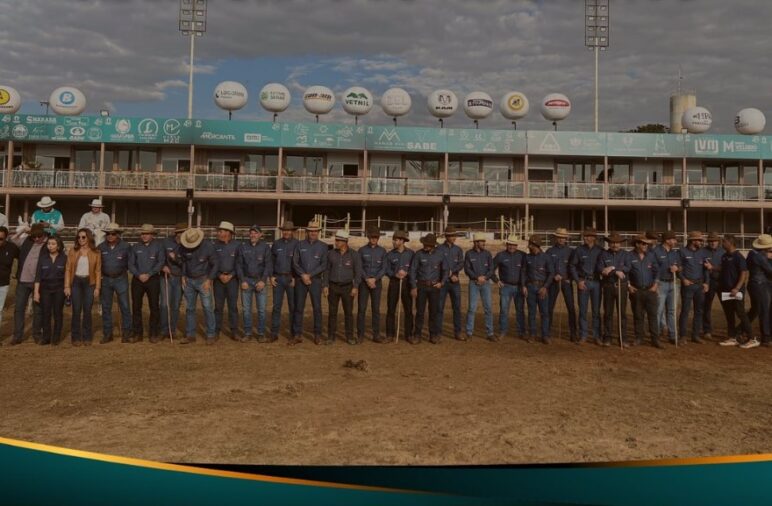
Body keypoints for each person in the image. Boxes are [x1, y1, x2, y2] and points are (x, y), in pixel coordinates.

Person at [9, 223, 47, 345]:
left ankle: (37, 334)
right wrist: (24, 231)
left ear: (43, 233)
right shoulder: (26, 240)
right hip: (23, 280)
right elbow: (12, 240)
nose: (36, 239)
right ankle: (17, 336)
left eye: (39, 236)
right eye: (34, 236)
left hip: (39, 282)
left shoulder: (49, 242)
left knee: (38, 310)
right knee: (19, 309)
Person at [291, 220, 328, 345]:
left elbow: (323, 265)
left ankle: (317, 335)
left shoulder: (323, 246)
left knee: (317, 308)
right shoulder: (300, 245)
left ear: (318, 232)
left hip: (315, 281)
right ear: (307, 232)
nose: (313, 233)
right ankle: (297, 334)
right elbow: (295, 263)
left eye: (315, 231)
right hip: (301, 280)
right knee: (299, 308)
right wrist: (302, 275)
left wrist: (310, 275)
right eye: (311, 231)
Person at [179, 228, 218, 345]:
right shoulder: (183, 247)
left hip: (203, 280)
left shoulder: (208, 246)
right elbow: (184, 262)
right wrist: (183, 275)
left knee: (207, 307)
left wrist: (209, 279)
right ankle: (190, 334)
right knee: (189, 308)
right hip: (189, 281)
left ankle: (211, 334)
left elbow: (215, 263)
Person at [324, 230, 362, 345]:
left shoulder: (354, 254)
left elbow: (358, 272)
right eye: (336, 240)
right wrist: (325, 285)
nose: (336, 242)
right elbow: (326, 271)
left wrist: (355, 286)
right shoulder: (330, 254)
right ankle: (331, 336)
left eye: (338, 240)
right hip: (333, 286)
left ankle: (349, 336)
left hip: (347, 287)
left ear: (345, 241)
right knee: (332, 312)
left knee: (348, 313)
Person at [410, 233, 449, 344]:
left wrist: (442, 283)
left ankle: (433, 335)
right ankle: (417, 335)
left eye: (428, 244)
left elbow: (446, 270)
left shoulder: (440, 255)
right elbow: (412, 270)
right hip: (421, 286)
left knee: (434, 312)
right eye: (425, 243)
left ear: (433, 245)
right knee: (420, 312)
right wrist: (413, 286)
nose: (425, 246)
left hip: (434, 287)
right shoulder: (418, 254)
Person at [64, 228, 101, 346]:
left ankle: (87, 336)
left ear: (89, 237)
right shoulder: (72, 251)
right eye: (79, 237)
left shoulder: (96, 253)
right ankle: (75, 337)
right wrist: (67, 286)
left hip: (89, 283)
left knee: (87, 311)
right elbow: (68, 269)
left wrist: (97, 288)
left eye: (83, 237)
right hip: (76, 282)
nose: (80, 239)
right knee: (76, 310)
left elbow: (98, 271)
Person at [128, 224, 164, 343]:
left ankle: (154, 333)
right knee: (136, 307)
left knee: (154, 307)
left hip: (152, 279)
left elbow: (160, 262)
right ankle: (137, 333)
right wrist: (139, 275)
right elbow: (131, 264)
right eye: (143, 233)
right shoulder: (135, 246)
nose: (144, 236)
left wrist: (149, 274)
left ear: (152, 235)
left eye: (147, 233)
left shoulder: (158, 246)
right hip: (137, 280)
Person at [237, 225, 273, 342]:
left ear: (260, 235)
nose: (253, 235)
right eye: (251, 233)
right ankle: (247, 333)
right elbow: (239, 265)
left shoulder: (265, 247)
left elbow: (268, 265)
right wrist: (242, 280)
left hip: (260, 281)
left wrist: (263, 280)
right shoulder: (243, 247)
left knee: (261, 309)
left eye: (256, 233)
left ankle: (261, 333)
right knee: (246, 309)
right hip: (246, 281)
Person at [717, 235, 754, 348]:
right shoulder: (724, 256)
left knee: (741, 313)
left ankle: (752, 337)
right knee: (729, 314)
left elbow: (743, 274)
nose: (722, 243)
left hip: (736, 291)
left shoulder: (739, 257)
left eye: (724, 241)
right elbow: (723, 269)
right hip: (726, 291)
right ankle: (732, 337)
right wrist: (712, 267)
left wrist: (737, 288)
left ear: (730, 243)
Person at [98, 222, 132, 343]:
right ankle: (108, 334)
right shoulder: (101, 247)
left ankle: (127, 333)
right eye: (108, 234)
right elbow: (98, 264)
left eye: (113, 234)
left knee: (125, 306)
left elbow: (130, 262)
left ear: (118, 234)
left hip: (120, 278)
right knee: (106, 307)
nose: (110, 236)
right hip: (106, 279)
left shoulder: (126, 246)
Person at [627, 234, 662, 348]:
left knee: (653, 315)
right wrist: (629, 286)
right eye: (643, 243)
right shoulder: (629, 256)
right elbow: (625, 271)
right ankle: (639, 338)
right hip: (636, 290)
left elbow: (657, 271)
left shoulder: (651, 256)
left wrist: (656, 284)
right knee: (638, 315)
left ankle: (655, 339)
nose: (646, 245)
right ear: (637, 244)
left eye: (647, 244)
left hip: (650, 290)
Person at [570, 227, 603, 344]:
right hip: (583, 282)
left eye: (589, 236)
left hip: (596, 282)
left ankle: (596, 335)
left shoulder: (600, 250)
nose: (586, 238)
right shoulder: (578, 250)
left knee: (596, 311)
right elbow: (572, 266)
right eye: (585, 236)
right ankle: (583, 335)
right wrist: (578, 280)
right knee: (583, 310)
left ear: (594, 238)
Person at [597, 232, 630, 347]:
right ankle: (607, 337)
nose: (615, 245)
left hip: (622, 286)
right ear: (609, 243)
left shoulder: (626, 254)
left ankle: (623, 338)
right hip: (608, 286)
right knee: (608, 313)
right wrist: (615, 271)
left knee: (622, 313)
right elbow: (600, 268)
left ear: (620, 243)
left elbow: (628, 267)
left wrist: (612, 268)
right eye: (612, 242)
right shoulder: (604, 254)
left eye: (617, 243)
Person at [33, 236, 66, 346]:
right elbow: (38, 276)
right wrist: (36, 292)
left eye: (53, 244)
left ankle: (56, 337)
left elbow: (68, 275)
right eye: (48, 244)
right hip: (45, 289)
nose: (50, 246)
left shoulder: (64, 258)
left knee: (57, 313)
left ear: (58, 246)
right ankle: (46, 337)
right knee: (45, 314)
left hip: (59, 289)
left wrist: (67, 288)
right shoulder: (42, 258)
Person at [678, 231, 709, 344]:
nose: (701, 242)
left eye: (701, 240)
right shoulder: (682, 251)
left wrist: (707, 283)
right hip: (688, 285)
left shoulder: (703, 252)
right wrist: (683, 279)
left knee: (699, 311)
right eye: (699, 240)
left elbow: (706, 270)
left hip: (700, 285)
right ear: (693, 241)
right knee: (685, 311)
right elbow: (678, 268)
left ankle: (695, 335)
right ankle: (682, 336)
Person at [492, 234, 526, 340]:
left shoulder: (523, 255)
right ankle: (502, 331)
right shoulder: (500, 255)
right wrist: (496, 280)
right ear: (507, 244)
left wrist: (525, 285)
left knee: (520, 310)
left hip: (519, 287)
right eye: (510, 244)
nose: (512, 247)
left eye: (514, 245)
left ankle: (521, 332)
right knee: (504, 310)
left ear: (517, 245)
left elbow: (527, 271)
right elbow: (491, 269)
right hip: (505, 286)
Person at [270, 221, 299, 341]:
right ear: (282, 231)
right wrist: (271, 276)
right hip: (278, 278)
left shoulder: (297, 244)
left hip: (291, 278)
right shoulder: (276, 244)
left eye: (289, 230)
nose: (286, 232)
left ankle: (294, 333)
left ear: (292, 231)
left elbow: (299, 262)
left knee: (293, 306)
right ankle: (274, 333)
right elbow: (271, 261)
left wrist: (295, 277)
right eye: (284, 230)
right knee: (276, 306)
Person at [357, 225, 387, 342]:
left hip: (376, 283)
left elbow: (384, 268)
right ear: (368, 237)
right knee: (361, 309)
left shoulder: (382, 251)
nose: (373, 239)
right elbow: (359, 267)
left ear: (378, 238)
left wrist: (375, 279)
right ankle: (360, 334)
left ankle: (376, 335)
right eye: (371, 237)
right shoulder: (362, 250)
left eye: (376, 237)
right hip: (364, 283)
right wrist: (367, 279)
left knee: (376, 309)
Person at [546, 227, 577, 341]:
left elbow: (573, 266)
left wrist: (569, 278)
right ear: (556, 238)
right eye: (559, 237)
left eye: (563, 238)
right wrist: (554, 275)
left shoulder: (571, 251)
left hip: (566, 282)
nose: (561, 239)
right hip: (553, 282)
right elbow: (548, 266)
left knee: (571, 307)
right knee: (550, 307)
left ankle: (573, 333)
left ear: (566, 239)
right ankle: (547, 331)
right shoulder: (550, 251)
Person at [522, 236, 554, 344]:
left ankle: (545, 335)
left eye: (532, 244)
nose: (530, 246)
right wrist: (523, 285)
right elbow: (524, 272)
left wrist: (545, 287)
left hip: (542, 287)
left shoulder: (546, 257)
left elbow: (551, 273)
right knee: (531, 312)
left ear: (536, 246)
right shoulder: (527, 257)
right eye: (530, 244)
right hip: (530, 286)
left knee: (544, 313)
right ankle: (532, 334)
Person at [212, 221, 240, 340]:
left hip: (232, 280)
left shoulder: (238, 245)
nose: (219, 233)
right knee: (218, 307)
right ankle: (216, 330)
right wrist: (219, 275)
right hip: (218, 280)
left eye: (221, 231)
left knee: (233, 306)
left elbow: (239, 263)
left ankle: (234, 331)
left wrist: (231, 275)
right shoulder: (214, 245)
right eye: (219, 231)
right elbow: (212, 263)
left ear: (228, 233)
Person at [464, 232, 494, 340]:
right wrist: (477, 278)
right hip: (474, 283)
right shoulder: (469, 254)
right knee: (472, 308)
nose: (484, 243)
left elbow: (491, 269)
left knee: (488, 308)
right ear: (476, 242)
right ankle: (469, 333)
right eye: (482, 241)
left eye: (484, 241)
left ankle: (490, 333)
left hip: (485, 283)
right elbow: (467, 269)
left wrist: (485, 278)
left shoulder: (487, 254)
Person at [385, 230, 414, 343]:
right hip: (394, 283)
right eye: (394, 239)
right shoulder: (390, 254)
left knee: (408, 310)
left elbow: (414, 268)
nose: (394, 242)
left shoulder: (411, 254)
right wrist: (394, 274)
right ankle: (390, 335)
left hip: (407, 283)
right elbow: (387, 269)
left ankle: (408, 334)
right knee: (391, 309)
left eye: (396, 240)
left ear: (402, 241)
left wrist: (407, 273)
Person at [160, 223, 187, 340]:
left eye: (183, 232)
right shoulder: (165, 242)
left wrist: (175, 259)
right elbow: (159, 257)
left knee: (175, 305)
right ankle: (164, 330)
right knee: (164, 304)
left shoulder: (188, 245)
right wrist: (163, 266)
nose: (181, 235)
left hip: (180, 277)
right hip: (166, 276)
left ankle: (173, 329)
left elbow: (186, 263)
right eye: (180, 232)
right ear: (176, 233)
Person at [653, 231, 680, 343]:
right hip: (661, 284)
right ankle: (657, 334)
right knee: (659, 310)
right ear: (667, 240)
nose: (675, 241)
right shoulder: (656, 251)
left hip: (673, 283)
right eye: (673, 239)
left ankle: (673, 335)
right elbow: (653, 268)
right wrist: (656, 283)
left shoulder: (674, 253)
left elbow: (679, 265)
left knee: (672, 311)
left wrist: (677, 268)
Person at [438, 225, 465, 339]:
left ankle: (457, 332)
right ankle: (437, 332)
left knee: (457, 308)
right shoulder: (439, 249)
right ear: (446, 236)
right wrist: (447, 274)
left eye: (455, 235)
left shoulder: (458, 249)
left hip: (455, 282)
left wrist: (453, 273)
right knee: (439, 308)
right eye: (452, 236)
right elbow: (437, 263)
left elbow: (460, 263)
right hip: (442, 282)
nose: (454, 237)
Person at [746, 234, 772, 348]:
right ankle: (765, 338)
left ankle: (740, 330)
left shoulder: (753, 253)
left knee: (756, 310)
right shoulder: (760, 257)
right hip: (760, 285)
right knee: (764, 311)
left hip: (756, 284)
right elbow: (770, 271)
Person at [701, 231, 725, 340]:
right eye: (710, 241)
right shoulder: (702, 252)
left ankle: (731, 330)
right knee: (707, 306)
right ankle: (707, 330)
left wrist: (713, 267)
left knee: (727, 306)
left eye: (714, 241)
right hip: (708, 282)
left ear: (718, 242)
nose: (712, 243)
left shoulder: (723, 252)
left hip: (721, 282)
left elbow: (725, 267)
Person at [0, 226, 20, 339]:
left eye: (1, 239)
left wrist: (18, 273)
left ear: (6, 237)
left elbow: (22, 258)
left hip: (3, 284)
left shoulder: (12, 248)